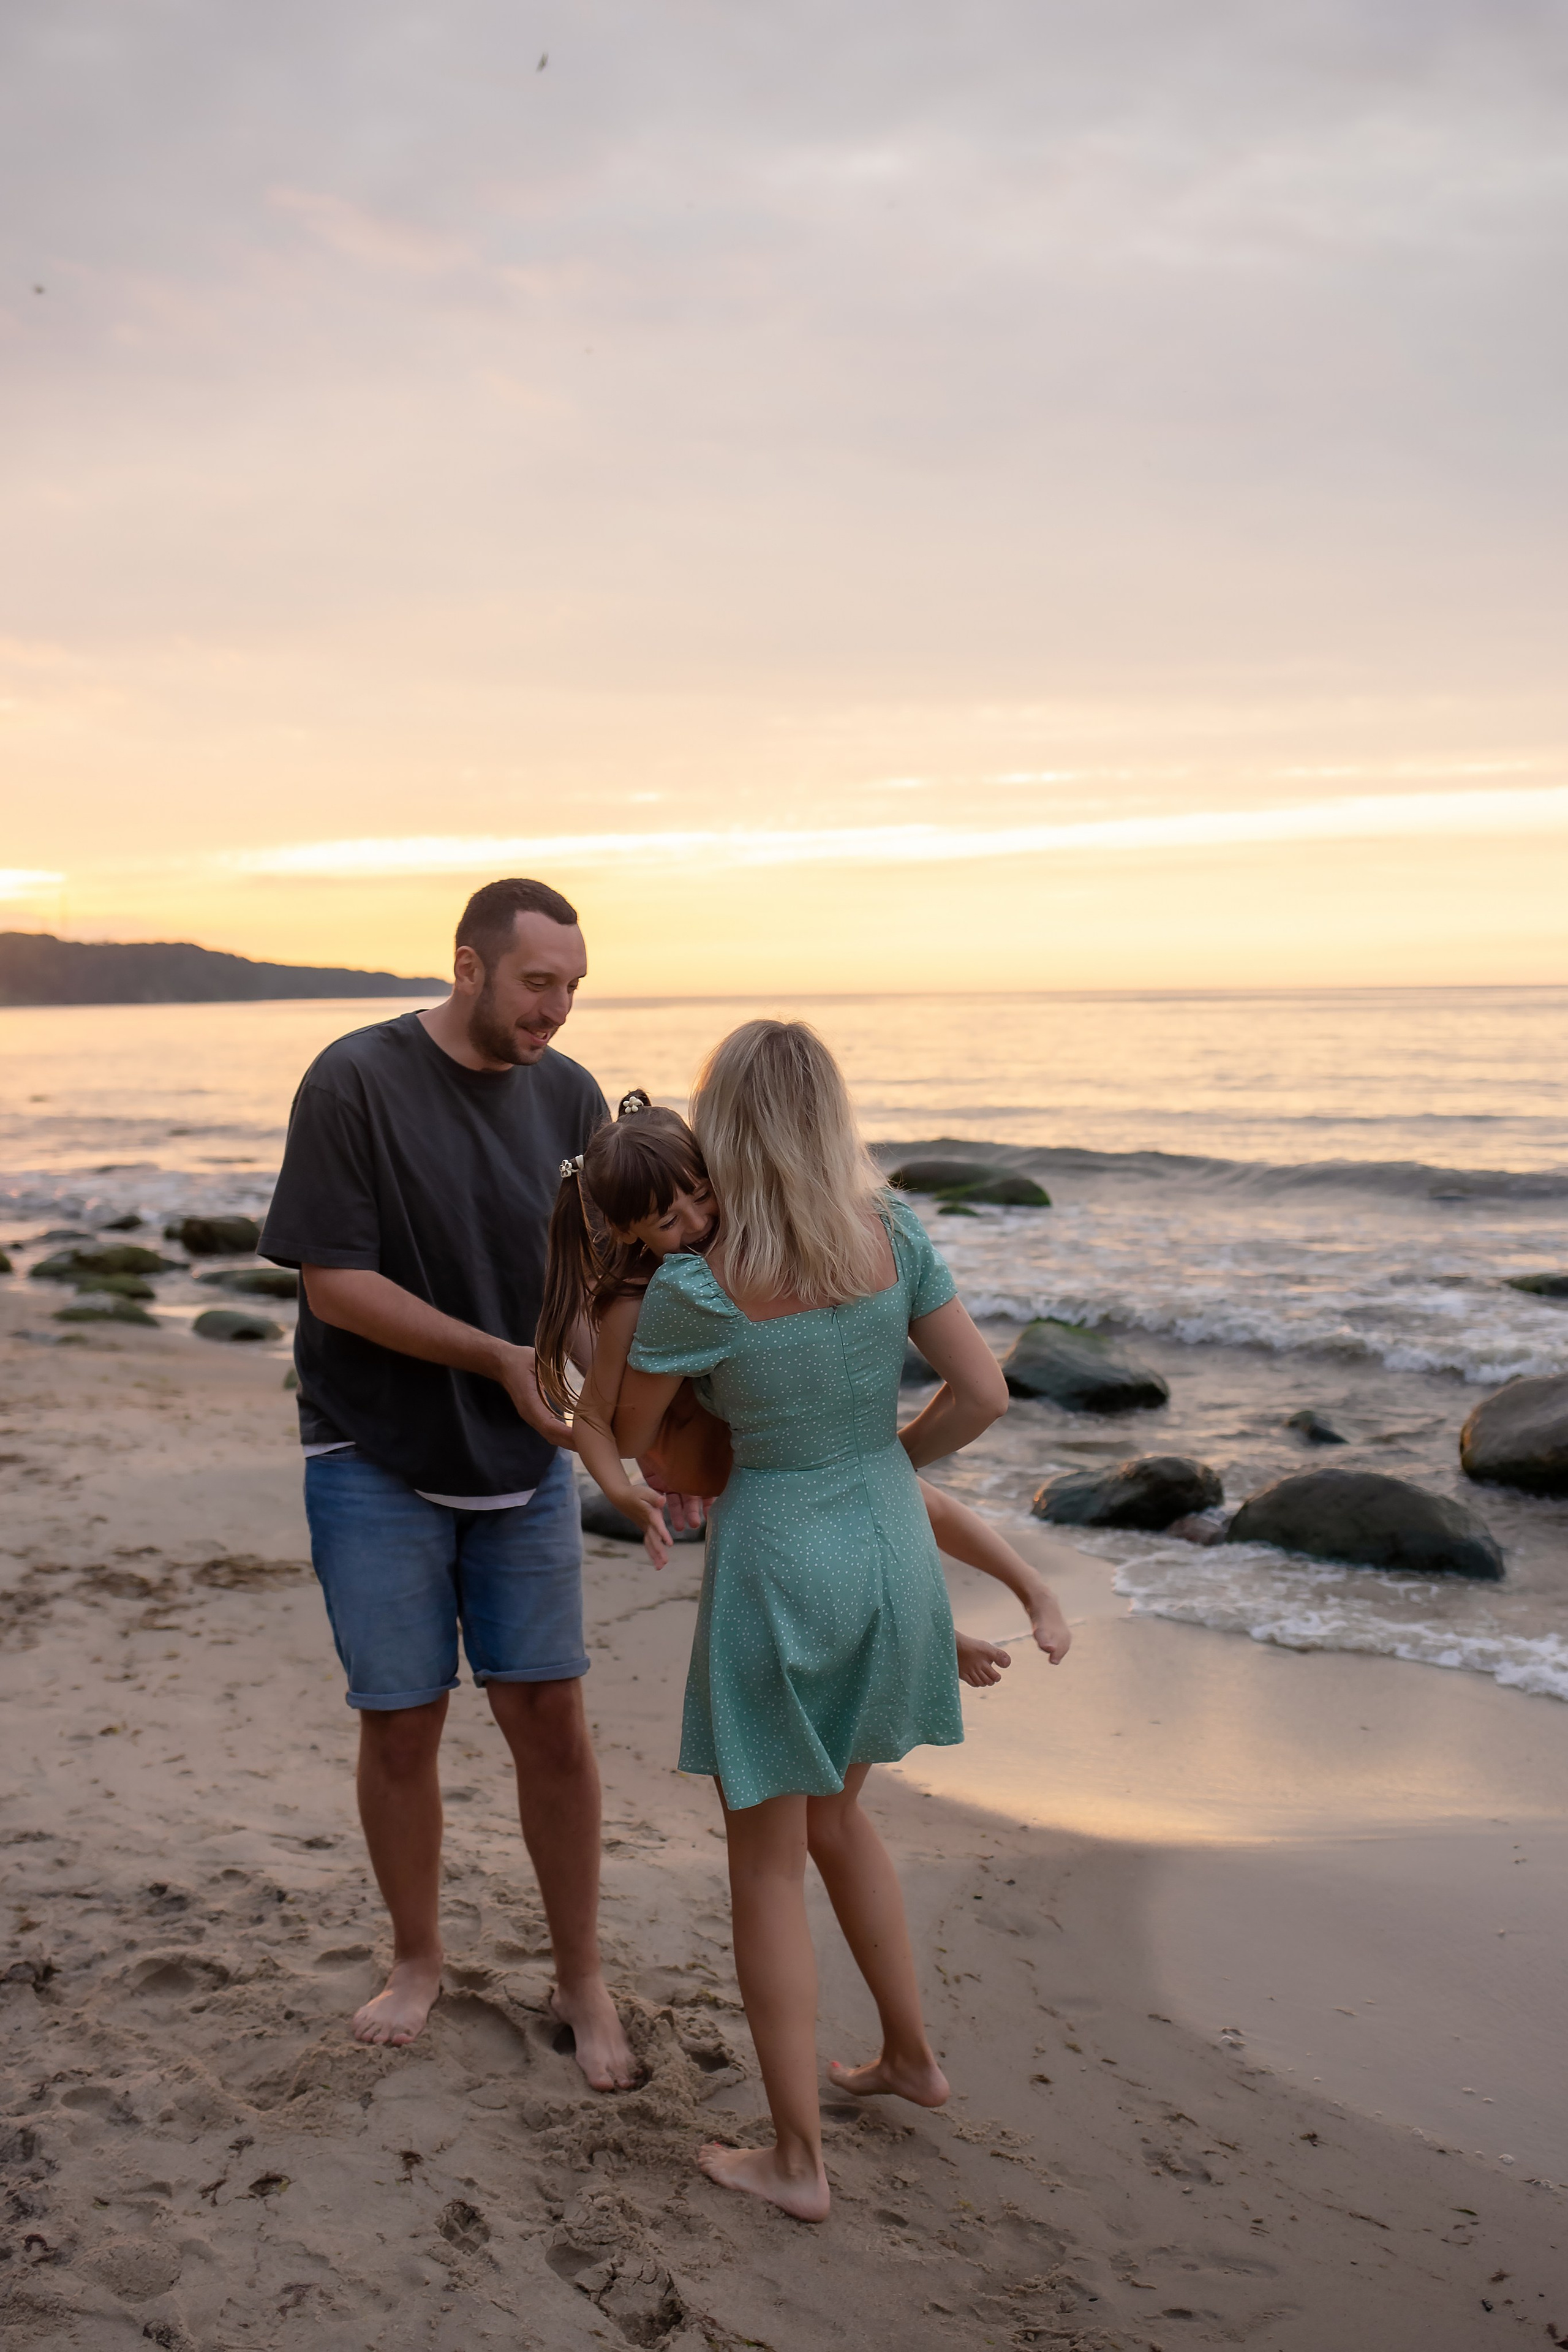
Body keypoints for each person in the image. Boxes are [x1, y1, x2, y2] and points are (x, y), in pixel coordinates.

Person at [605, 1020, 1014, 2221]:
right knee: (841, 1819)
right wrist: (885, 1453)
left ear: (717, 1128)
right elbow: (980, 1393)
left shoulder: (694, 1284)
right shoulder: (891, 1235)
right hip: (890, 1555)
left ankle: (793, 2162)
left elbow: (633, 1442)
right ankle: (911, 2059)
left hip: (781, 1568)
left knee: (765, 1871)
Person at [258, 876, 638, 2089]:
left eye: (572, 988)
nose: (557, 1011)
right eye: (539, 984)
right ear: (468, 966)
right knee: (403, 1719)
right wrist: (493, 1355)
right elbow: (331, 1282)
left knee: (552, 1726)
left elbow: (584, 1296)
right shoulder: (353, 1080)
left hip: (522, 1458)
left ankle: (580, 1976)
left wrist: (623, 1432)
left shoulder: (574, 1098)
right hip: (372, 1449)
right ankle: (416, 1959)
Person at [535, 1091, 1074, 1687]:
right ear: (629, 1231)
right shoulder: (637, 1301)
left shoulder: (734, 1244)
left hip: (742, 1417)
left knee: (884, 1486)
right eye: (668, 1221)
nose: (697, 1223)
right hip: (708, 1430)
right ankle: (934, 1631)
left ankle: (1019, 1592)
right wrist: (622, 1489)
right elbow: (600, 1418)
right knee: (852, 1513)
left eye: (703, 1194)